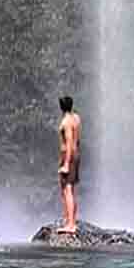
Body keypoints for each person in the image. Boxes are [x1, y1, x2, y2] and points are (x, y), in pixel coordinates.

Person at [57, 95, 81, 234]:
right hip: (75, 155)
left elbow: (70, 141)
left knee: (67, 189)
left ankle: (71, 224)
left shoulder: (66, 122)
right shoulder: (76, 118)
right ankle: (69, 220)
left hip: (68, 156)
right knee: (68, 189)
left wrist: (66, 163)